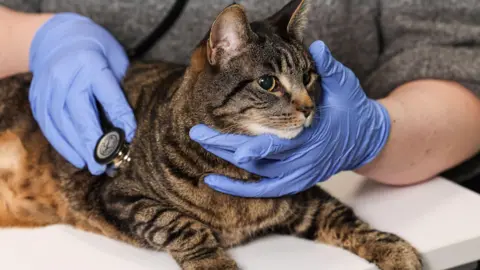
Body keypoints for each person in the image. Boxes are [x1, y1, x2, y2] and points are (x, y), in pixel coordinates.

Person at [1, 0, 479, 198]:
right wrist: (42, 36)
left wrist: (377, 134)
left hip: (345, 194)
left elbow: (459, 68)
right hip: (52, 188)